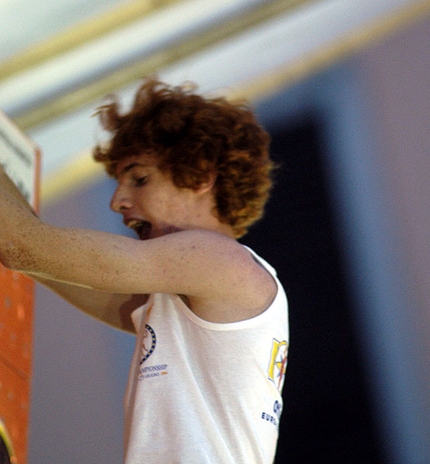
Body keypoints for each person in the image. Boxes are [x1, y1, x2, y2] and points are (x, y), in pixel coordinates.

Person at [0, 78, 289, 463]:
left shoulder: (221, 261)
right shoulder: (189, 296)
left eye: (139, 179)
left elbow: (24, 246)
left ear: (201, 175)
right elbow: (36, 256)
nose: (118, 201)